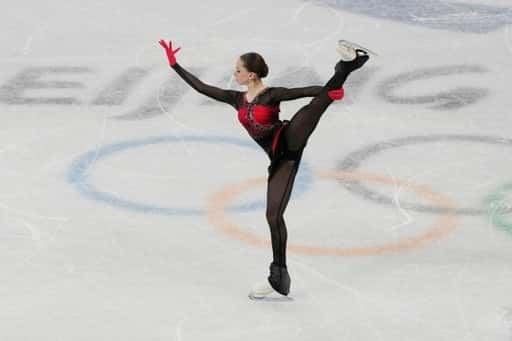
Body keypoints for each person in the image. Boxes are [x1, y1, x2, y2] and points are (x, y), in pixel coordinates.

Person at [158, 39, 369, 299]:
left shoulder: (272, 95)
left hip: (290, 140)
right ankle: (278, 276)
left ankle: (346, 67)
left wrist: (328, 94)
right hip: (278, 159)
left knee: (315, 106)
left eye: (238, 70)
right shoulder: (236, 99)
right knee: (273, 216)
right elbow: (202, 88)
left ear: (251, 74)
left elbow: (307, 91)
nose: (234, 73)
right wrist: (174, 64)